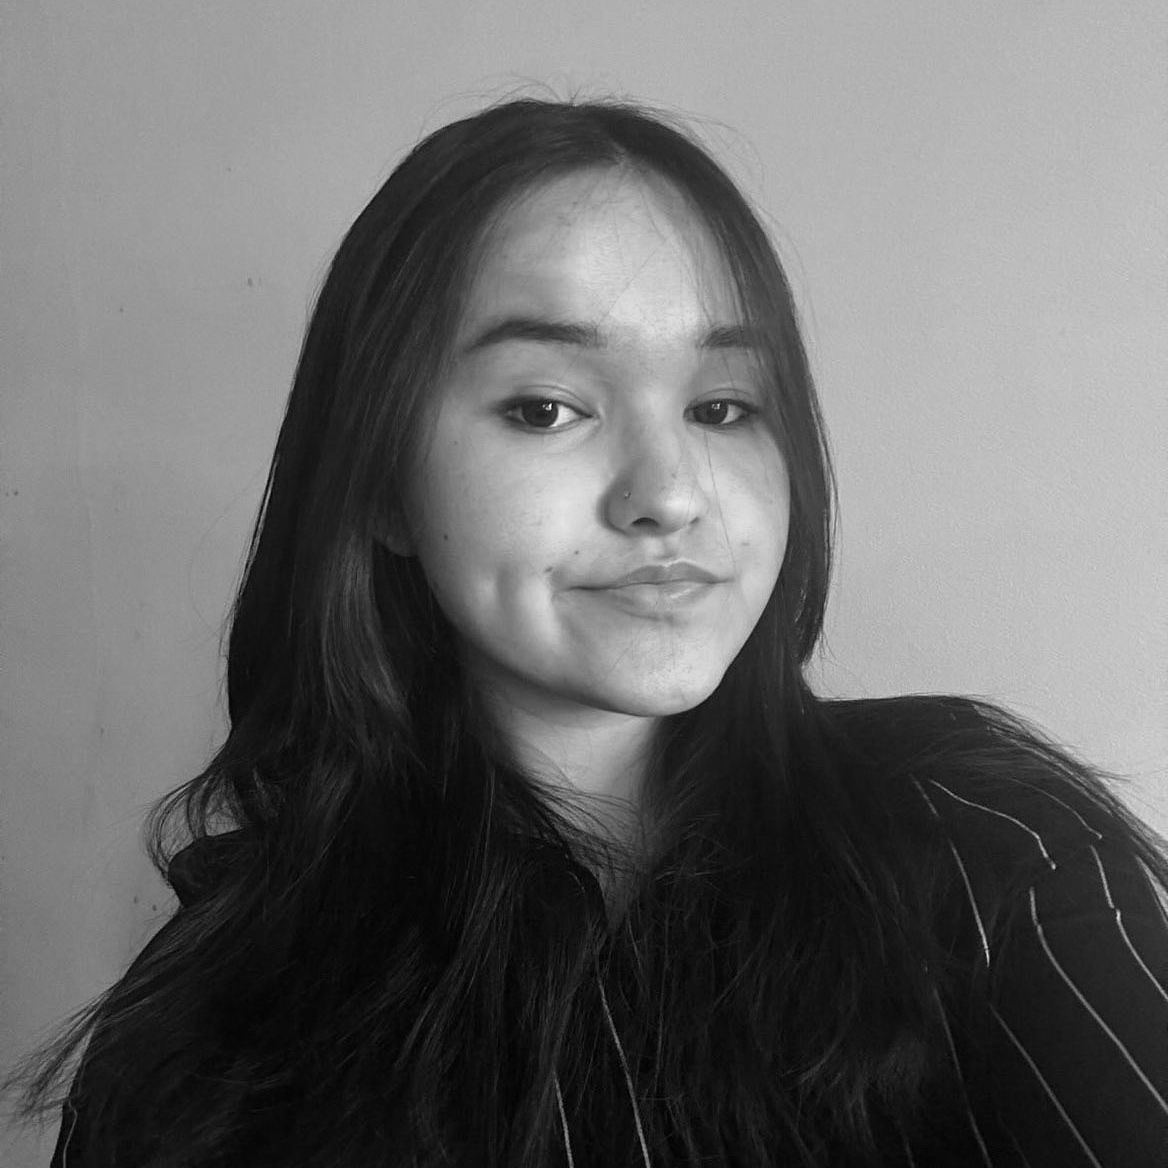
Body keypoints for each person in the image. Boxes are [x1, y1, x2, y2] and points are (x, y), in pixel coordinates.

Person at [7, 97, 1168, 1167]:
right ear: (379, 482)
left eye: (723, 406)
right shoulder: (220, 1021)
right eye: (546, 407)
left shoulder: (992, 854)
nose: (668, 492)